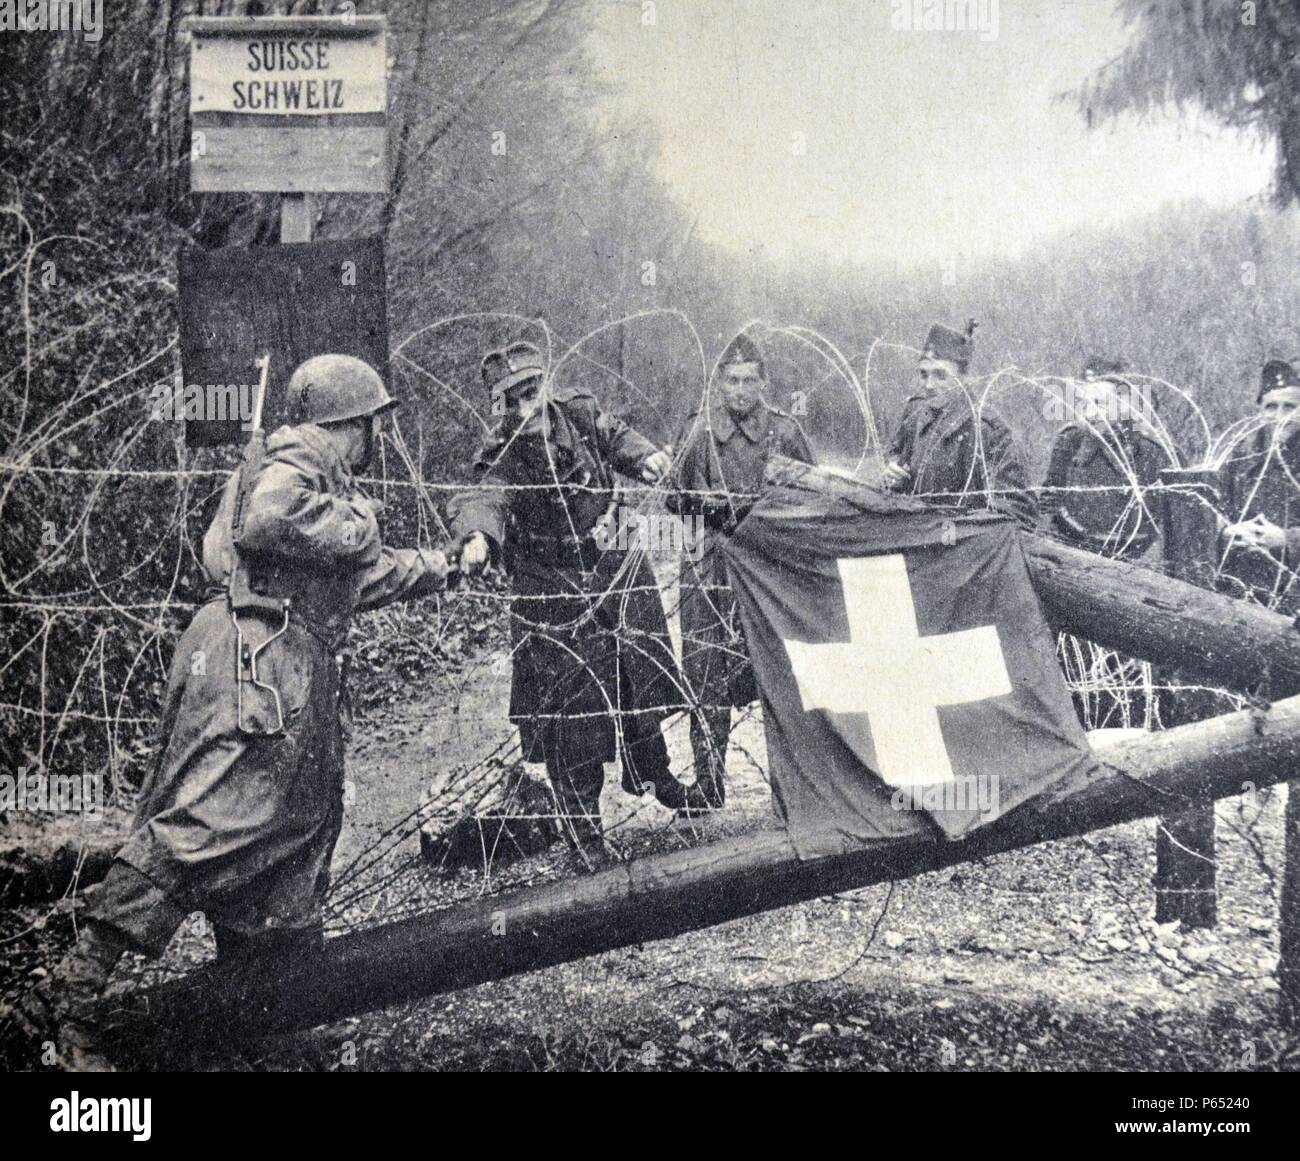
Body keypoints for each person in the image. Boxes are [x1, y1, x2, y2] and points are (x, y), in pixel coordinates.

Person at [14, 354, 449, 1069]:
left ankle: (270, 1014)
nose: (376, 440)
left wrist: (446, 564)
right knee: (207, 824)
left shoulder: (306, 477)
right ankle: (71, 1000)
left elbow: (352, 574)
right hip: (260, 668)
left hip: (271, 658)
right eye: (372, 425)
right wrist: (364, 521)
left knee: (294, 830)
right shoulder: (297, 462)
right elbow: (268, 522)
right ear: (348, 424)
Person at [451, 341, 706, 848]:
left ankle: (654, 775)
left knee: (639, 677)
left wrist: (647, 456)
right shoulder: (498, 454)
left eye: (531, 392)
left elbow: (616, 437)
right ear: (497, 406)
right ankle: (582, 826)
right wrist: (477, 537)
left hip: (615, 566)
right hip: (553, 591)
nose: (526, 409)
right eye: (512, 400)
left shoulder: (579, 412)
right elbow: (484, 498)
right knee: (574, 709)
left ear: (544, 384)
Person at [667, 333, 815, 808]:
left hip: (768, 564)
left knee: (781, 670)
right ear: (719, 383)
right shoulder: (698, 431)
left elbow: (812, 495)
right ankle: (709, 781)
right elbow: (671, 495)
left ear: (764, 383)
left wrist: (768, 507)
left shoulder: (785, 433)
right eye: (731, 379)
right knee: (706, 668)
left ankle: (790, 786)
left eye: (750, 379)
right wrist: (698, 502)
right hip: (710, 563)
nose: (740, 389)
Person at [883, 320, 1037, 527]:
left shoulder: (987, 429)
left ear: (964, 378)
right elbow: (895, 457)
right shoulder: (916, 412)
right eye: (923, 374)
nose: (929, 385)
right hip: (917, 532)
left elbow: (1018, 511)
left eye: (940, 375)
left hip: (960, 544)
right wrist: (893, 475)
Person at [1041, 356, 1171, 560]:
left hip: (1135, 555)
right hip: (1075, 548)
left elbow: (1164, 519)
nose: (1090, 413)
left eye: (1100, 404)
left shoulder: (1151, 450)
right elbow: (1050, 501)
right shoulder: (1070, 440)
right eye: (1084, 404)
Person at [1218, 359, 1300, 615]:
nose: (1279, 416)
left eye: (1290, 407)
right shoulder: (1241, 456)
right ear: (1259, 411)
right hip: (1244, 589)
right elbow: (1215, 507)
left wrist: (1287, 539)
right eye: (1271, 407)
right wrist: (1227, 532)